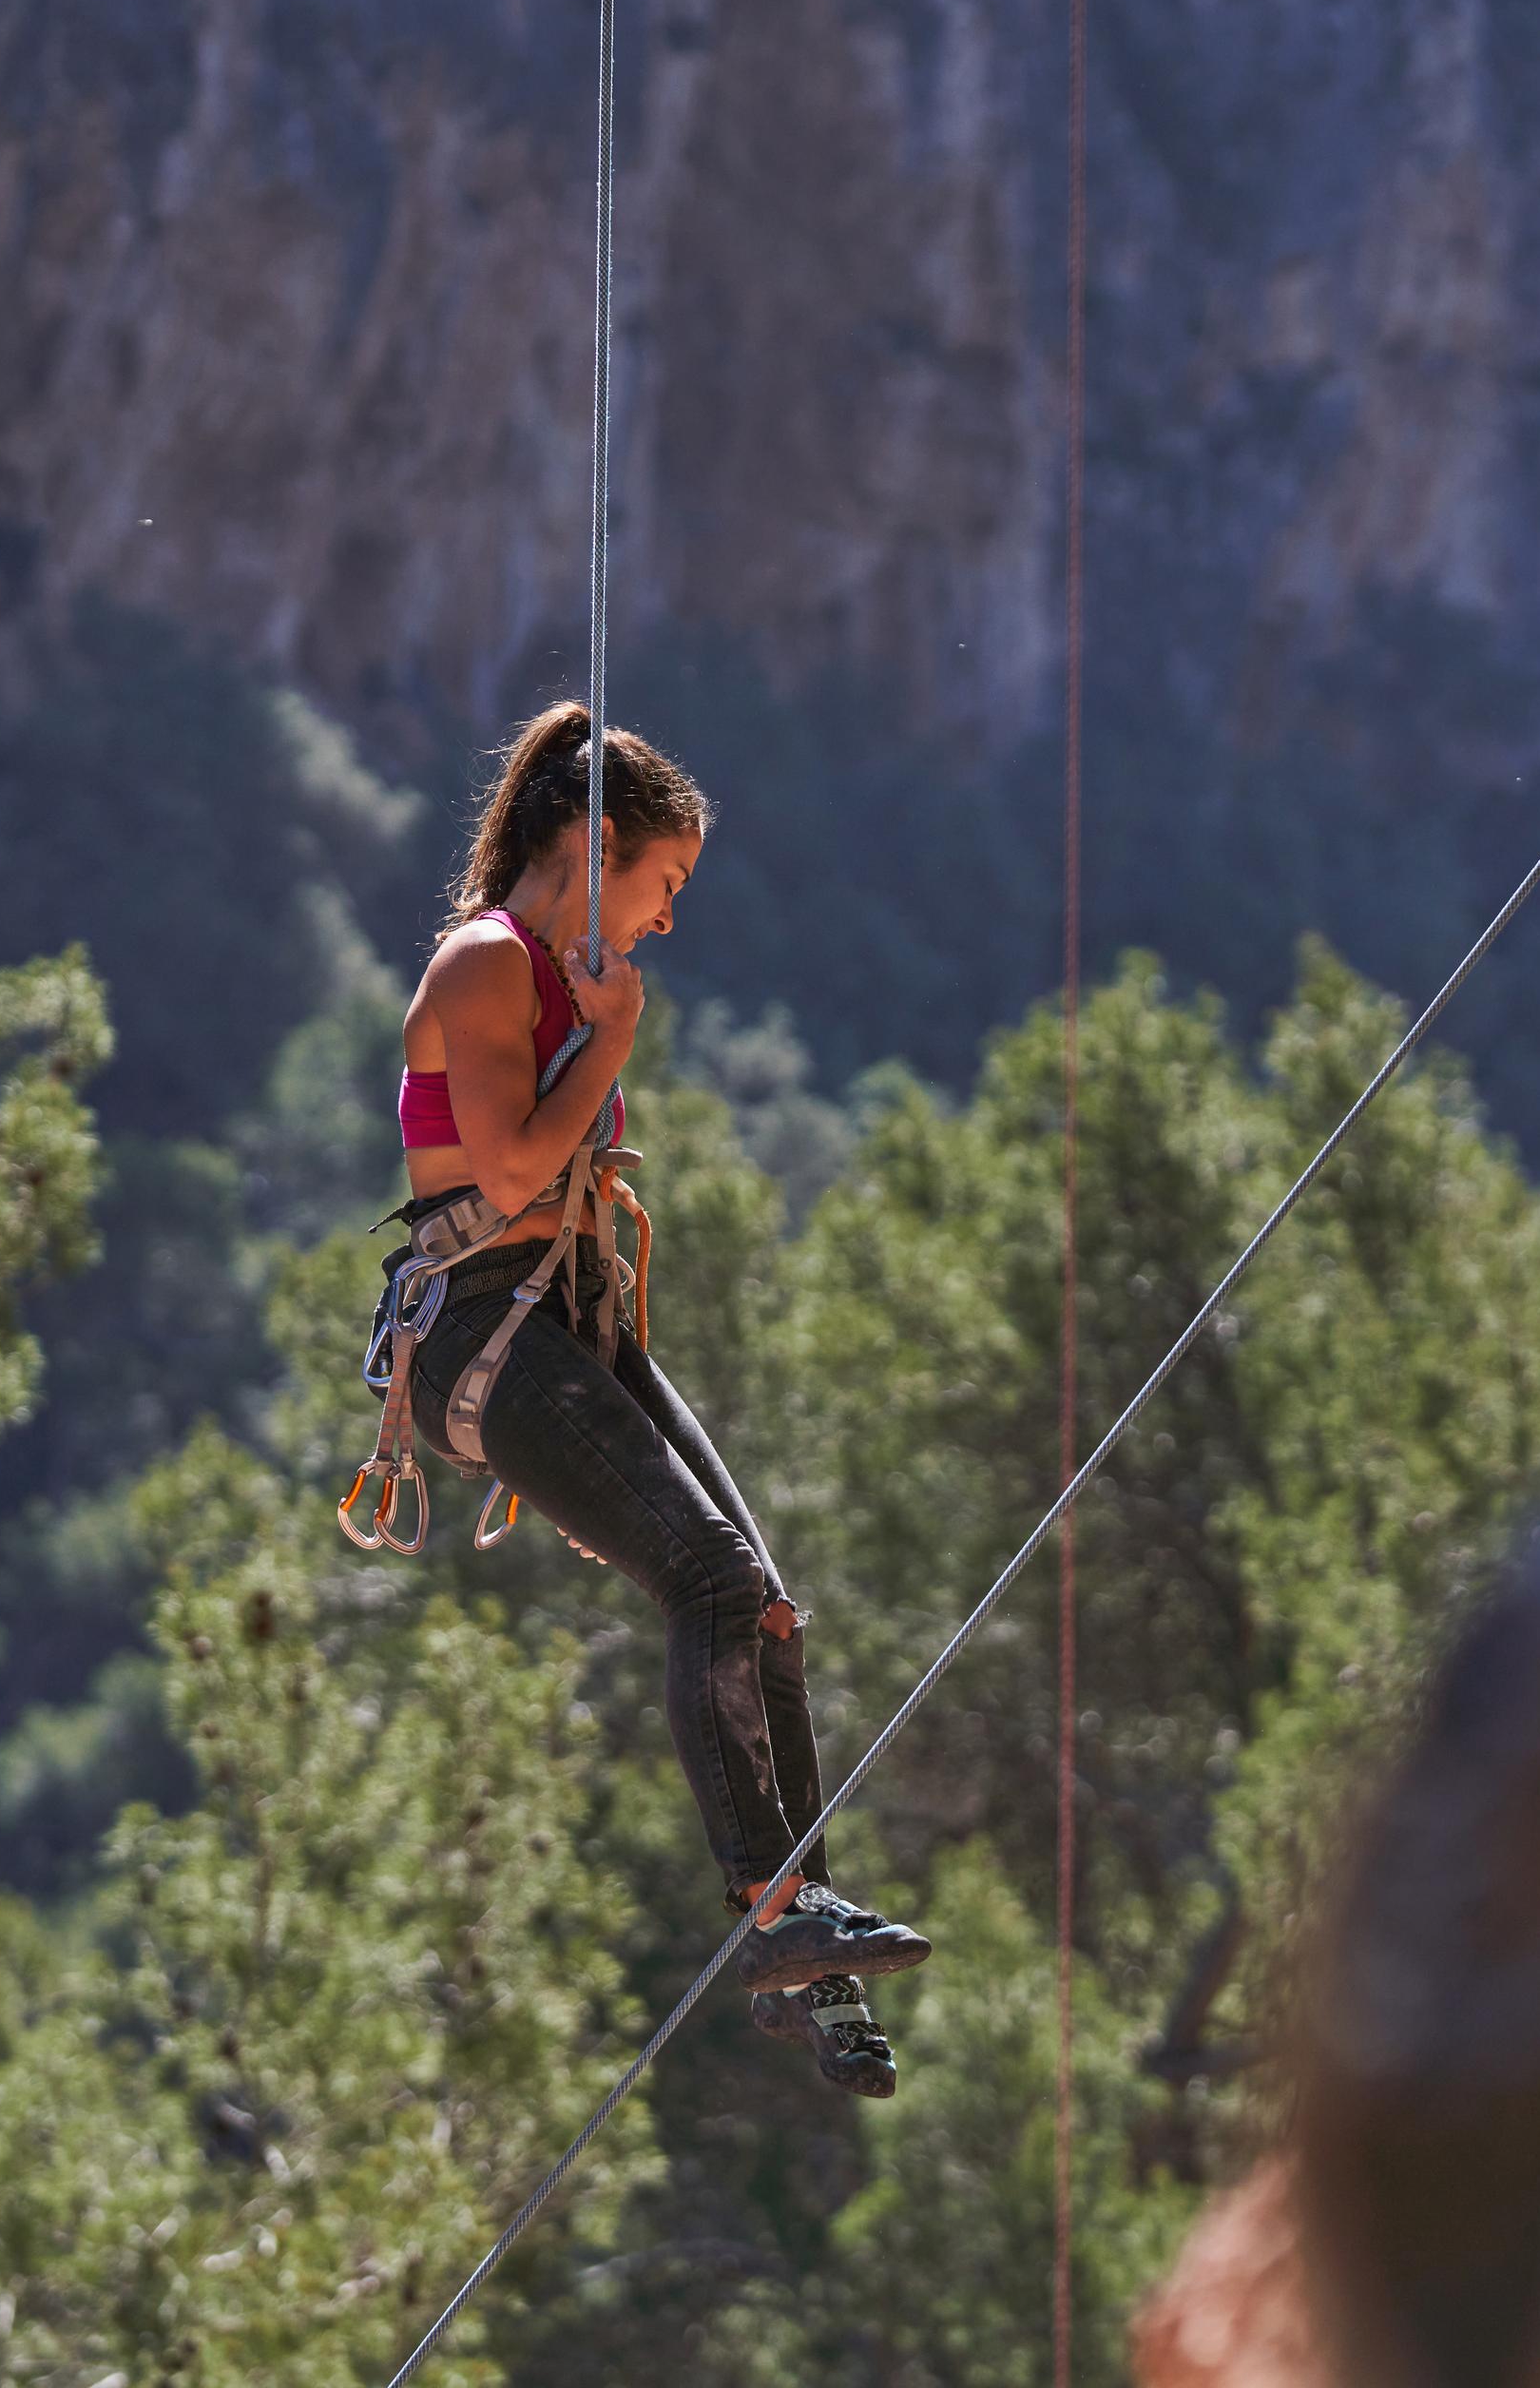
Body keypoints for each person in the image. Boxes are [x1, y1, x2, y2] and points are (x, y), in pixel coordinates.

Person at [381, 702, 929, 2097]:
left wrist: (605, 1018)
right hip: (492, 1332)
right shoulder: (486, 965)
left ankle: (809, 1955)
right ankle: (772, 1911)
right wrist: (612, 1038)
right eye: (666, 883)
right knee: (705, 1583)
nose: (669, 920)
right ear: (597, 846)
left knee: (763, 1609)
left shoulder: (560, 973)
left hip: (571, 1322)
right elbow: (507, 1179)